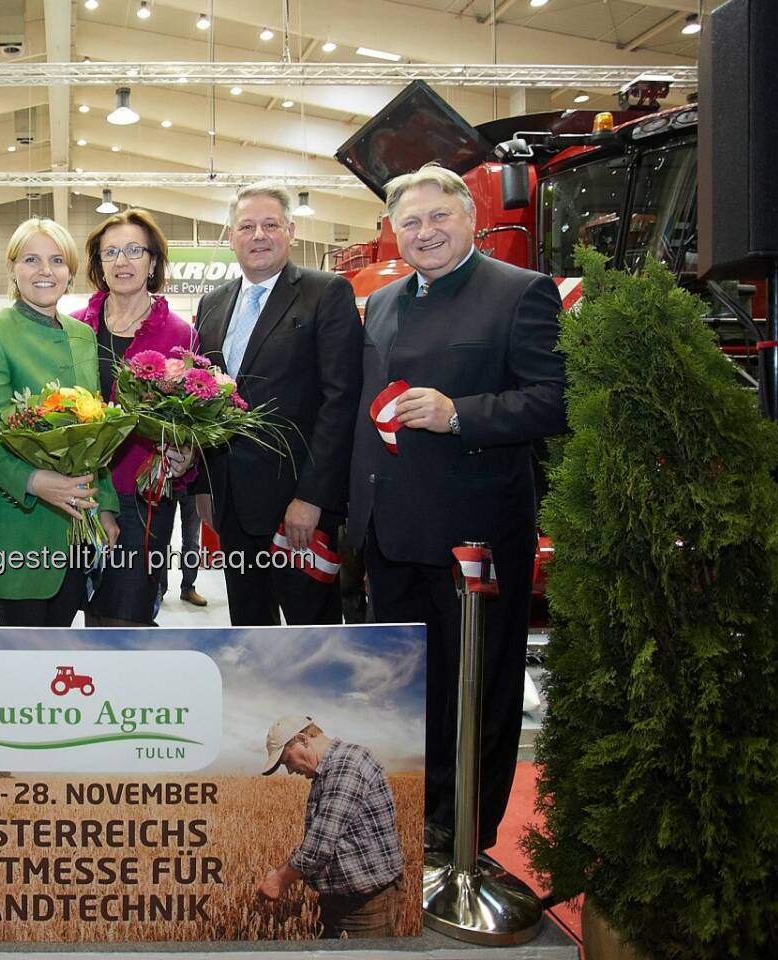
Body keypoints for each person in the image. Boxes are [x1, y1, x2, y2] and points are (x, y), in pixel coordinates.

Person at [346, 162, 566, 854]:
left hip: (473, 536)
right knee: (405, 687)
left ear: (471, 219)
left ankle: (466, 830)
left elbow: (557, 399)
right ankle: (409, 814)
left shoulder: (521, 293)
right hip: (392, 531)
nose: (425, 232)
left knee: (476, 685)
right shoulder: (382, 303)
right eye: (409, 222)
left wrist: (459, 414)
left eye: (439, 216)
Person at [194, 182, 362, 626]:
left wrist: (312, 498)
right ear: (232, 237)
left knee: (311, 637)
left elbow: (340, 402)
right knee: (249, 632)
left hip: (297, 508)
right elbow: (202, 402)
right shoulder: (211, 305)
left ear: (291, 231)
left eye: (270, 225)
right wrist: (204, 486)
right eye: (246, 226)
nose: (258, 235)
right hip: (231, 505)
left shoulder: (326, 293)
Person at [0, 218, 121, 626]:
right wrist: (35, 482)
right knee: (23, 662)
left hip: (77, 527)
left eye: (56, 260)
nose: (44, 271)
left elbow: (97, 432)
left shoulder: (82, 334)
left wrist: (105, 507)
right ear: (13, 269)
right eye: (31, 259)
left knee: (60, 653)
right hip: (20, 526)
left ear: (70, 272)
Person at [72, 209, 196, 627]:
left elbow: (194, 416)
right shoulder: (75, 329)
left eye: (133, 250)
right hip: (75, 496)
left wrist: (187, 454)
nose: (122, 261)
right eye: (111, 252)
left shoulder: (181, 335)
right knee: (71, 619)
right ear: (98, 264)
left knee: (126, 620)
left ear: (154, 262)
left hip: (142, 498)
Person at [257, 715, 403, 939]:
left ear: (302, 739)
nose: (289, 770)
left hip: (365, 908)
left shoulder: (347, 765)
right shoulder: (329, 770)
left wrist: (279, 880)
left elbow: (319, 845)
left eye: (287, 760)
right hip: (343, 903)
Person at [158, 492, 206, 607]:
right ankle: (159, 589)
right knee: (163, 540)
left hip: (193, 484)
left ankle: (188, 588)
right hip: (167, 483)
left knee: (192, 541)